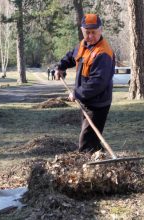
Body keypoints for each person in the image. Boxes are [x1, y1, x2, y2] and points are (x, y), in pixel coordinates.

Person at [55, 14, 115, 153]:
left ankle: (88, 171)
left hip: (98, 103)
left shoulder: (103, 53)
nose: (90, 36)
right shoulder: (84, 45)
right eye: (87, 32)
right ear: (82, 31)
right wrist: (61, 67)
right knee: (92, 139)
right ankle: (101, 159)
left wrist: (77, 93)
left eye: (93, 32)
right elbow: (71, 56)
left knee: (86, 142)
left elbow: (98, 82)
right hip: (86, 101)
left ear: (100, 30)